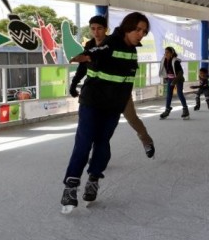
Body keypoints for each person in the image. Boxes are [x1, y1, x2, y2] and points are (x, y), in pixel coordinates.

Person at [60, 12, 150, 214]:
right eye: (138, 29)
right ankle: (71, 186)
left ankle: (93, 179)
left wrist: (120, 105)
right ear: (128, 27)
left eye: (144, 31)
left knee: (102, 142)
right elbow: (100, 51)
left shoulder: (132, 51)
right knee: (84, 142)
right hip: (92, 102)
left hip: (113, 107)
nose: (141, 34)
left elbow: (126, 82)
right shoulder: (112, 42)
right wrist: (87, 56)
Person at [69, 15, 155, 159]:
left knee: (132, 118)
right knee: (98, 127)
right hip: (98, 93)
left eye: (100, 29)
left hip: (119, 92)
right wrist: (73, 84)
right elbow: (83, 67)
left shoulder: (114, 43)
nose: (96, 32)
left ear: (106, 29)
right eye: (93, 29)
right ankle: (98, 159)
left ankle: (146, 140)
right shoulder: (90, 46)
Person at [160, 47, 190, 120]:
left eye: (167, 52)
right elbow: (165, 71)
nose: (165, 54)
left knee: (179, 93)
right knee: (168, 95)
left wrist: (174, 81)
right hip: (170, 79)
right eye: (165, 52)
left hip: (178, 79)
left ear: (171, 53)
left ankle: (185, 110)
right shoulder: (164, 60)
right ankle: (167, 110)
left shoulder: (175, 61)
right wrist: (166, 78)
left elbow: (181, 73)